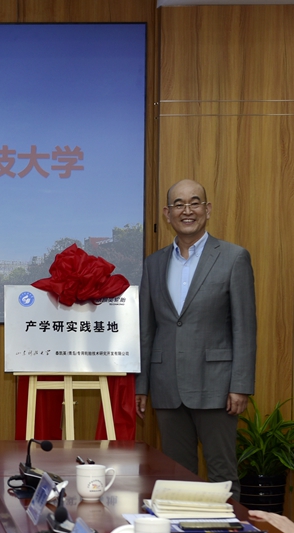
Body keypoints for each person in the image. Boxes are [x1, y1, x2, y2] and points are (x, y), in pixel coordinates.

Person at [135, 179, 256, 501]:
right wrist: (142, 385)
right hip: (166, 385)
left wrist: (240, 385)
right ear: (167, 213)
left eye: (194, 202)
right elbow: (146, 329)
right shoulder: (154, 263)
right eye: (178, 204)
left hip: (217, 386)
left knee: (222, 476)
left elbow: (245, 327)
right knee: (177, 477)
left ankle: (227, 523)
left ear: (207, 209)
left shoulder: (233, 257)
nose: (187, 210)